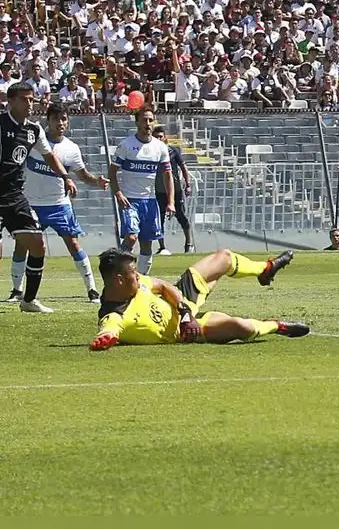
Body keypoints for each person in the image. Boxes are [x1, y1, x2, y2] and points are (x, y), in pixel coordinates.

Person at [90, 247, 303, 351]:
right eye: (133, 273)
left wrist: (184, 311)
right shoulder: (115, 315)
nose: (138, 276)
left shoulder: (136, 284)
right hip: (187, 331)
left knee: (224, 258)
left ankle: (264, 270)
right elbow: (109, 329)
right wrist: (105, 339)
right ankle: (276, 326)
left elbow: (163, 286)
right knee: (242, 327)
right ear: (119, 279)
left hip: (181, 303)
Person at [7, 103, 108, 305]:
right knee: (22, 246)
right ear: (48, 120)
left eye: (64, 119)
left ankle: (92, 289)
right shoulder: (34, 140)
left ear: (67, 122)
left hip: (59, 204)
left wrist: (96, 181)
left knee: (73, 243)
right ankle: (17, 290)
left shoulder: (71, 149)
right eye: (56, 119)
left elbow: (82, 174)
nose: (60, 123)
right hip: (31, 203)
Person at [0, 83, 78, 313]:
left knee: (37, 244)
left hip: (14, 195)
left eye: (32, 100)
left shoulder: (34, 130)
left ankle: (28, 300)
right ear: (10, 101)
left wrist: (65, 176)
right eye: (24, 99)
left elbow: (49, 155)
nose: (29, 104)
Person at [109, 105, 173, 276]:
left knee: (147, 244)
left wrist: (171, 202)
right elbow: (112, 172)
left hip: (150, 202)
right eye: (144, 120)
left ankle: (141, 281)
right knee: (131, 238)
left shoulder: (160, 147)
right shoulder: (126, 145)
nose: (148, 123)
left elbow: (168, 175)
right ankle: (114, 271)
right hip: (130, 200)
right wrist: (118, 193)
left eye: (150, 120)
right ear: (136, 122)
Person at [152, 124, 193, 255]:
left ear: (165, 138)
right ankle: (162, 246)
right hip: (159, 191)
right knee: (160, 219)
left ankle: (189, 243)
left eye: (160, 137)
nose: (158, 139)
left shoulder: (173, 151)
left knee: (181, 216)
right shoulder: (150, 153)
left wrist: (187, 184)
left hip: (175, 190)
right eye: (156, 137)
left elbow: (183, 167)